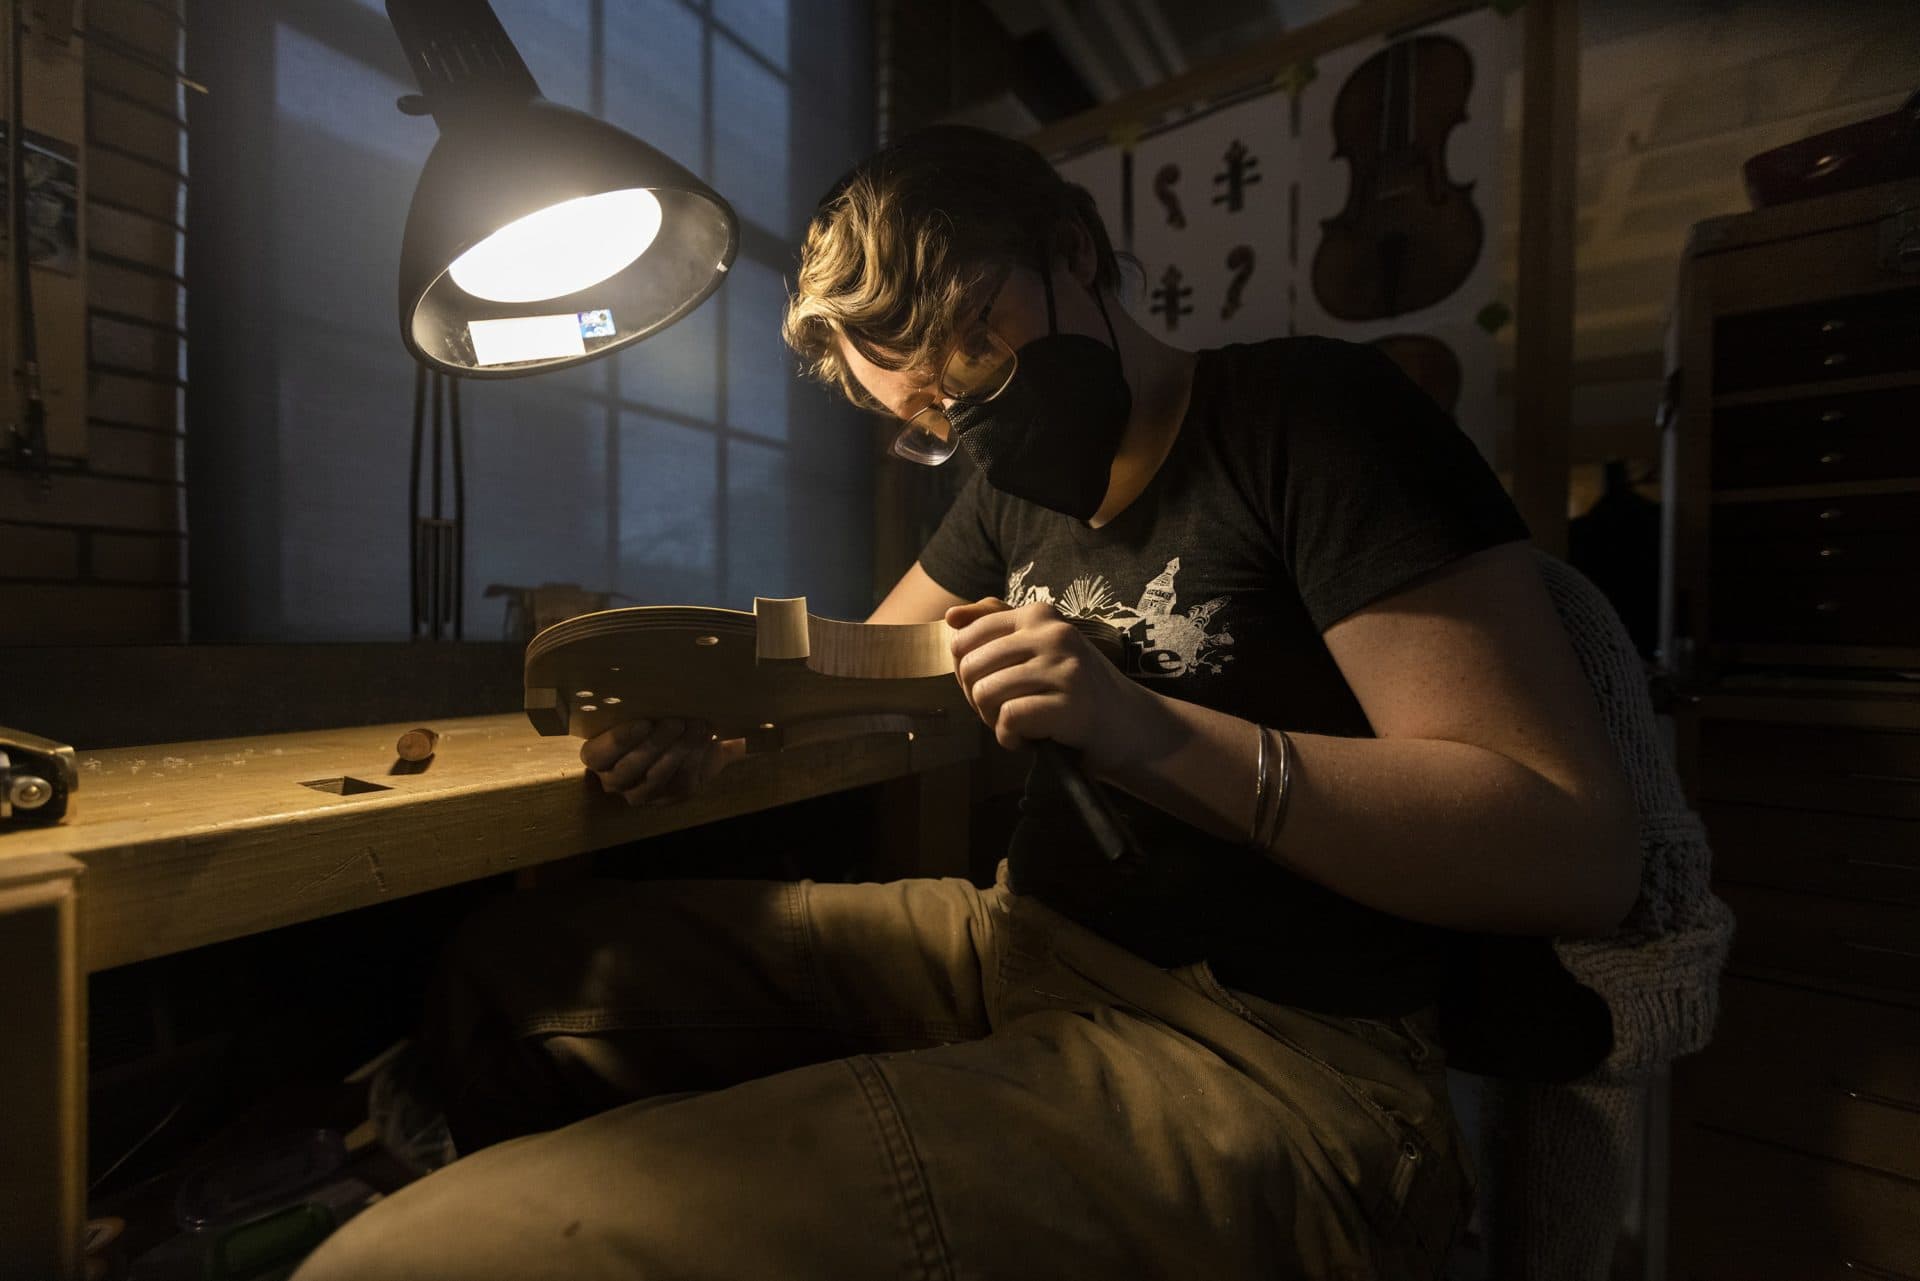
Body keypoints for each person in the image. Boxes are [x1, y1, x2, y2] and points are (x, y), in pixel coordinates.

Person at [297, 125, 1638, 1280]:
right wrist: (708, 716)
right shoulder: (1011, 491)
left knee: (418, 1260)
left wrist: (1152, 730)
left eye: (980, 356)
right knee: (506, 979)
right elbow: (860, 669)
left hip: (1280, 1061)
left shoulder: (1308, 420)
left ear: (1076, 250)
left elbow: (1569, 845)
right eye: (931, 412)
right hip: (1024, 946)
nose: (971, 424)